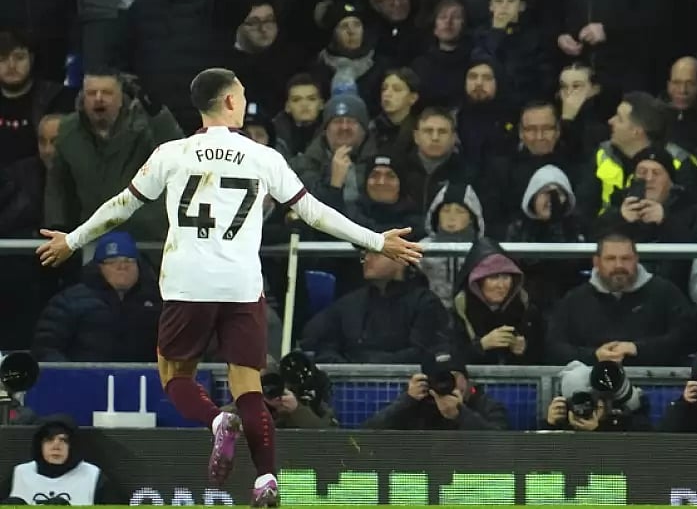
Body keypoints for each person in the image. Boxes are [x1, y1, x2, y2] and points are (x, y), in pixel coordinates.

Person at [34, 68, 423, 508]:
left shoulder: (172, 153)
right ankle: (266, 479)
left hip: (187, 282)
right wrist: (377, 240)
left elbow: (122, 205)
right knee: (249, 387)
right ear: (231, 103)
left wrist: (74, 238)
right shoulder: (264, 157)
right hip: (241, 285)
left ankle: (216, 420)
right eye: (241, 93)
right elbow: (315, 213)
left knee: (175, 377)